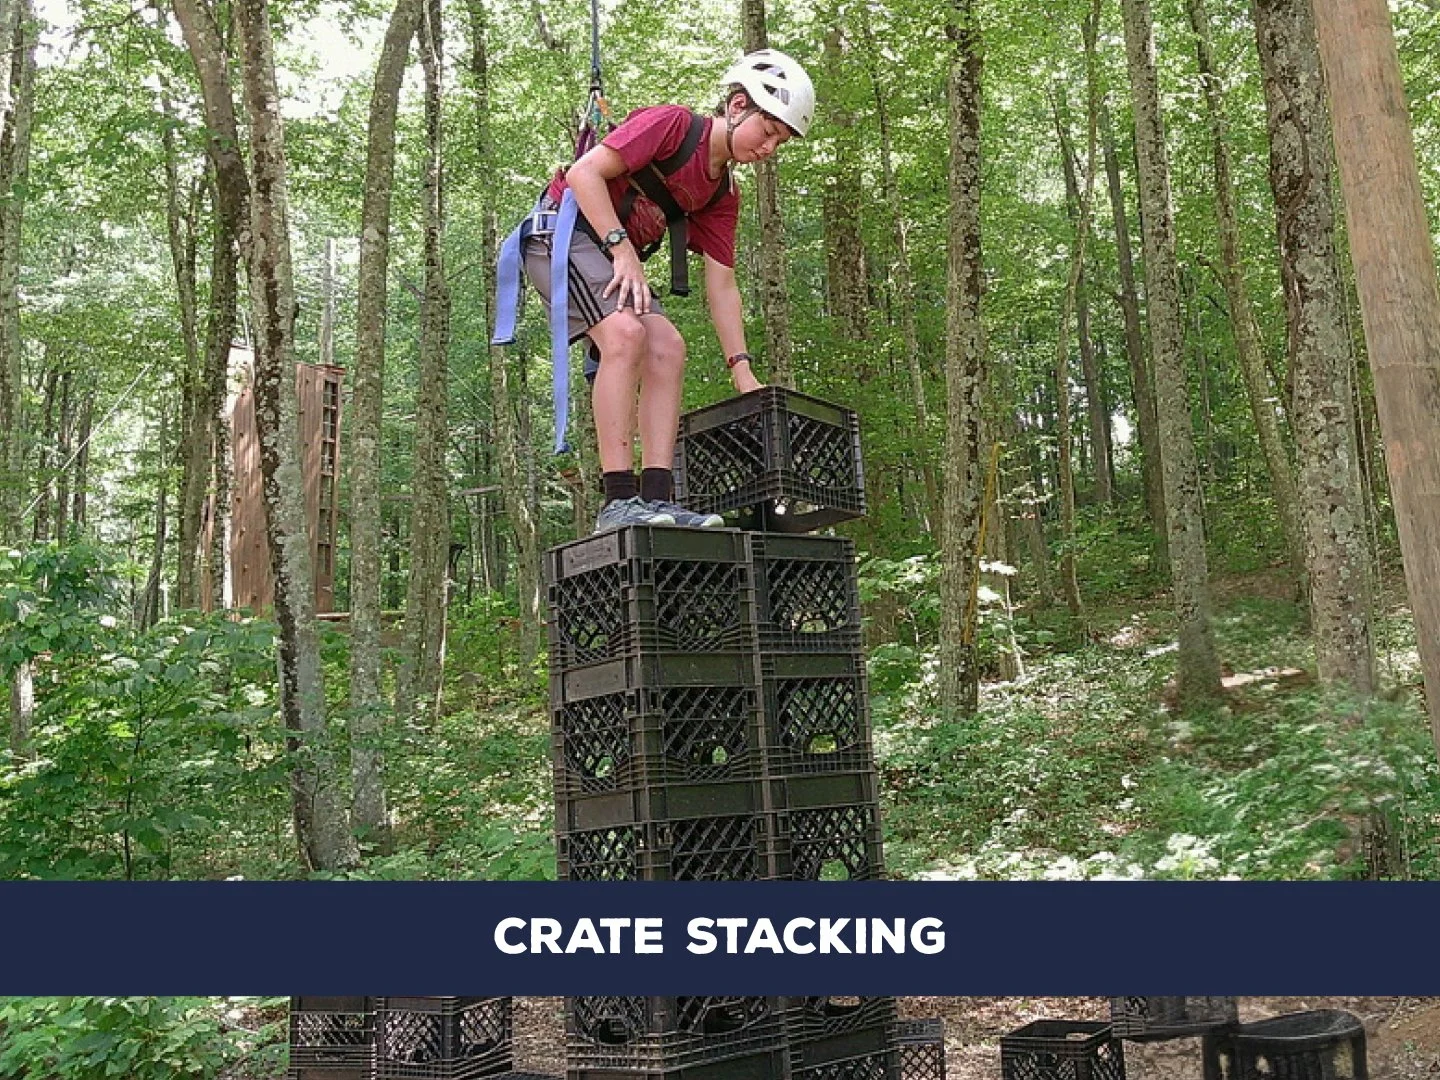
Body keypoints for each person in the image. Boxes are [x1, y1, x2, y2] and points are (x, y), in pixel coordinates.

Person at [518, 49, 815, 532]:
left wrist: (742, 369)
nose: (769, 149)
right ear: (738, 105)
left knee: (669, 347)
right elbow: (583, 173)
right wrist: (622, 248)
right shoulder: (674, 126)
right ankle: (617, 501)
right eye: (768, 131)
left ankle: (657, 499)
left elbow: (722, 284)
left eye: (780, 142)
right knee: (625, 336)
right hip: (560, 237)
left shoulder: (724, 195)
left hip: (609, 256)